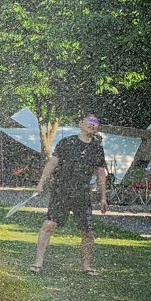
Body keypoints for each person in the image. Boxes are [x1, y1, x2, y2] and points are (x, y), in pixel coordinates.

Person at [32, 114, 109, 275]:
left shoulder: (97, 148)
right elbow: (52, 163)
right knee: (49, 225)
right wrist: (40, 183)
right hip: (62, 190)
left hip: (82, 193)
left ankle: (86, 267)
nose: (93, 124)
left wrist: (103, 197)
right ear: (80, 124)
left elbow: (101, 173)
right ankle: (38, 263)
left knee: (87, 232)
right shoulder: (66, 143)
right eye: (90, 121)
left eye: (96, 122)